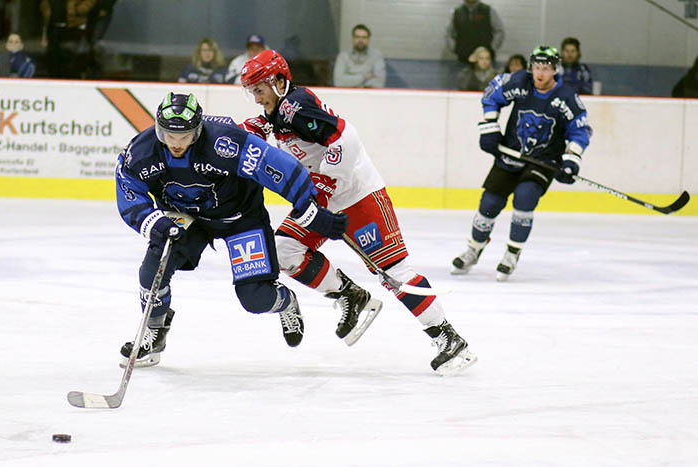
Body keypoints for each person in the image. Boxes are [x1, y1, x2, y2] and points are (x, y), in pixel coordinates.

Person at [239, 50, 477, 374]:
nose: (256, 98)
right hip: (323, 199)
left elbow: (344, 138)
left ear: (279, 81)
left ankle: (447, 337)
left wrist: (326, 184)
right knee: (283, 250)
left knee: (395, 272)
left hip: (357, 196)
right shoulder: (281, 111)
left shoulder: (296, 107)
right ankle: (350, 294)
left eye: (259, 90)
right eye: (252, 91)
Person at [115, 92, 348, 367]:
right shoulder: (142, 151)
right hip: (187, 218)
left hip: (240, 218)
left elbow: (277, 167)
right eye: (169, 135)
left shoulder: (224, 142)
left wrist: (311, 211)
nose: (176, 144)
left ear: (198, 130)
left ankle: (286, 302)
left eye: (185, 136)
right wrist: (155, 223)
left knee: (256, 299)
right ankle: (154, 333)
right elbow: (128, 189)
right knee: (152, 270)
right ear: (158, 129)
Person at [451, 46, 592, 280]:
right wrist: (489, 126)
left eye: (546, 68)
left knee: (525, 198)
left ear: (555, 70)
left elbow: (580, 130)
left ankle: (512, 254)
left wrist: (571, 159)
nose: (540, 73)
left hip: (543, 161)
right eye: (536, 67)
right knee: (489, 203)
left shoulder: (566, 97)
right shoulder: (521, 82)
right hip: (510, 154)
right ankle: (474, 249)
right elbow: (491, 96)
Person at [40, 0, 97, 78]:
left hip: (74, 26)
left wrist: (79, 10)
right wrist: (47, 12)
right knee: (53, 59)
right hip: (54, 26)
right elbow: (45, 3)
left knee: (74, 61)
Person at [447, 0, 504, 65]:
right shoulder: (456, 12)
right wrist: (455, 49)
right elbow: (449, 34)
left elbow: (499, 31)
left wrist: (491, 48)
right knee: (463, 75)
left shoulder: (488, 10)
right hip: (463, 58)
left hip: (484, 58)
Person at [333, 24, 386, 88]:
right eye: (357, 37)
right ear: (353, 38)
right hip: (347, 95)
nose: (360, 40)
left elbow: (379, 83)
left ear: (368, 39)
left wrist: (350, 81)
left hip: (368, 96)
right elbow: (338, 82)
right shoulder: (343, 56)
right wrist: (364, 77)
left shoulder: (376, 56)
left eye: (364, 37)